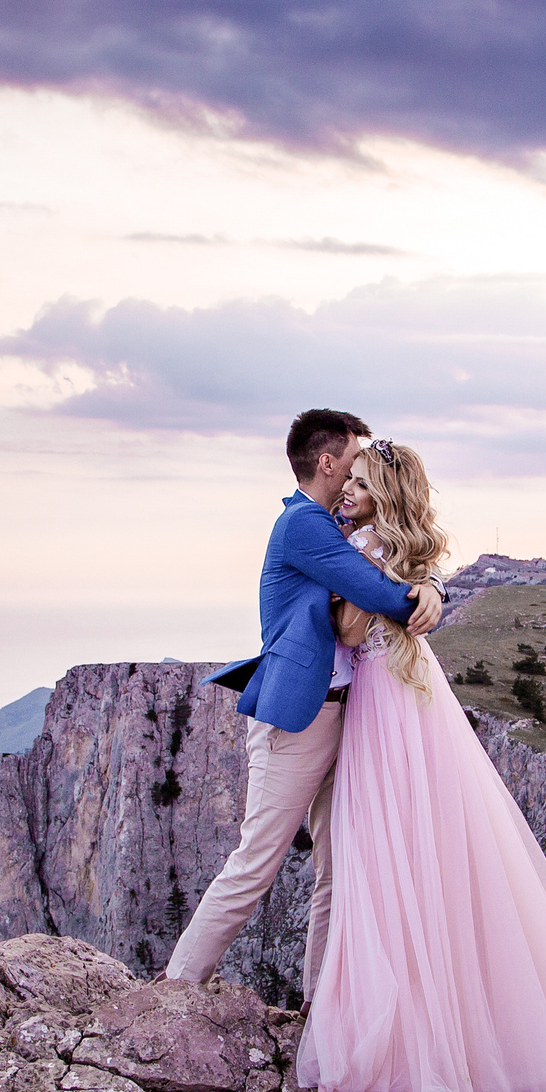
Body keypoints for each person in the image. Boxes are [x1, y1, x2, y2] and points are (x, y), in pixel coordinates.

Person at [296, 438, 546, 1092]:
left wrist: (348, 580)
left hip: (385, 707)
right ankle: (466, 1037)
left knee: (383, 859)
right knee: (435, 857)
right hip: (418, 697)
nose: (348, 493)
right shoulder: (397, 549)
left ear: (383, 497)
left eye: (361, 485)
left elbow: (347, 626)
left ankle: (406, 1043)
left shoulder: (364, 544)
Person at [165, 410, 445, 996]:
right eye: (353, 464)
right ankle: (175, 990)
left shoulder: (337, 527)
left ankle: (320, 1010)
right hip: (301, 717)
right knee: (255, 864)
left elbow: (389, 566)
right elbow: (375, 591)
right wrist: (424, 593)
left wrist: (433, 585)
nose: (354, 477)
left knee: (336, 870)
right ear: (328, 462)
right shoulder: (304, 527)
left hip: (347, 711)